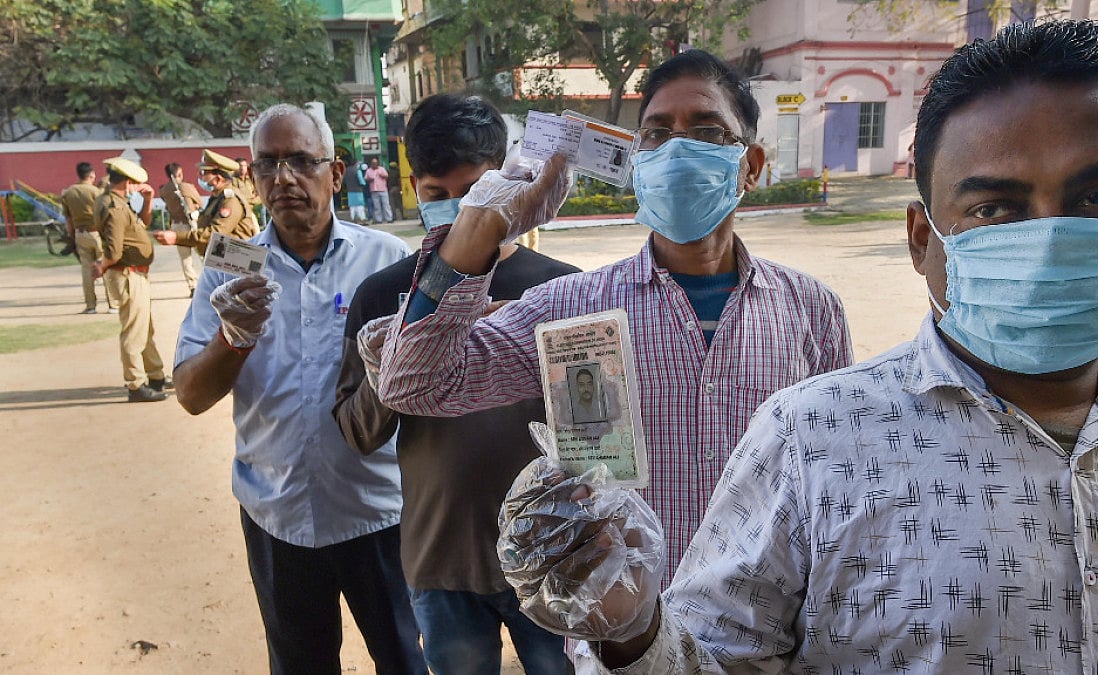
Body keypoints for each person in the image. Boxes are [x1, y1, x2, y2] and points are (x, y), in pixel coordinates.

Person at [497, 20, 1098, 673]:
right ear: (924, 239)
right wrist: (633, 632)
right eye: (995, 209)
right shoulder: (811, 436)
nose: (1052, 241)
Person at [375, 49, 854, 580]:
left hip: (765, 631)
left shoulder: (811, 310)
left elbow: (832, 476)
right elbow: (414, 384)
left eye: (707, 132)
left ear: (751, 166)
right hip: (623, 632)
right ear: (638, 162)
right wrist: (478, 231)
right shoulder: (571, 307)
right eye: (656, 133)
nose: (677, 150)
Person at [333, 93, 579, 675]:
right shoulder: (382, 295)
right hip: (440, 564)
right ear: (414, 188)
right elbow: (354, 431)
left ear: (505, 180)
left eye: (470, 193)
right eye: (435, 196)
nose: (454, 212)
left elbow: (600, 426)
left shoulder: (562, 291)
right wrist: (402, 348)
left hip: (551, 554)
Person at [172, 103, 422, 674]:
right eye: (268, 164)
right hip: (277, 514)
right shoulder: (231, 265)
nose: (284, 178)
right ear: (253, 177)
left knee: (404, 659)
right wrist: (233, 339)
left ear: (334, 173)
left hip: (378, 512)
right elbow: (189, 394)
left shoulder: (386, 258)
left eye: (301, 162)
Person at [92, 157, 170, 403]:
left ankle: (155, 375)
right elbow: (114, 251)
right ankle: (136, 385)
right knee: (134, 332)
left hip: (136, 273)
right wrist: (102, 265)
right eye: (136, 184)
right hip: (128, 274)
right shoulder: (115, 208)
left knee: (144, 328)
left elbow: (143, 222)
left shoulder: (117, 203)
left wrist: (147, 200)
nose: (138, 188)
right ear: (127, 183)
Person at [152, 149, 257, 254]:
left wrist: (177, 237)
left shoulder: (230, 200)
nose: (201, 177)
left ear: (218, 178)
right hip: (222, 259)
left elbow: (215, 234)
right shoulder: (217, 197)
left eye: (204, 173)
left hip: (236, 260)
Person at [61, 162, 118, 314]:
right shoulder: (97, 192)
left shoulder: (68, 193)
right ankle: (112, 304)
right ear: (91, 175)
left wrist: (72, 238)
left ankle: (91, 306)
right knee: (104, 266)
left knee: (86, 271)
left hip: (80, 233)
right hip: (97, 233)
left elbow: (68, 220)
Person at [159, 163, 204, 297]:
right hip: (191, 224)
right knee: (204, 255)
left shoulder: (164, 190)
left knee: (185, 259)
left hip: (177, 226)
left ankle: (193, 286)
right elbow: (200, 203)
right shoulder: (187, 187)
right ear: (179, 173)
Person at [232, 156, 264, 231]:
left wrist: (249, 201)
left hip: (255, 212)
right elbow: (236, 199)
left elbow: (260, 196)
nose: (242, 168)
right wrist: (251, 201)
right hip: (241, 214)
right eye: (240, 166)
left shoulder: (251, 180)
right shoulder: (232, 181)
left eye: (244, 166)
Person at [365, 157, 393, 224]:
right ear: (371, 164)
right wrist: (370, 179)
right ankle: (379, 220)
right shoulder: (369, 170)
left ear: (377, 163)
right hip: (374, 190)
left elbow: (387, 176)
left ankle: (389, 218)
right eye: (373, 163)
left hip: (383, 190)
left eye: (375, 163)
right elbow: (366, 179)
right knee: (377, 206)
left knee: (386, 205)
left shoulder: (382, 169)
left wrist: (382, 175)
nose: (374, 164)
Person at [341, 153, 368, 223]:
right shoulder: (357, 171)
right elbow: (361, 181)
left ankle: (353, 218)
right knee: (360, 206)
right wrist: (364, 184)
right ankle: (362, 219)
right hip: (358, 191)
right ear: (356, 163)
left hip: (350, 191)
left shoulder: (346, 171)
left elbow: (343, 180)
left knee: (352, 206)